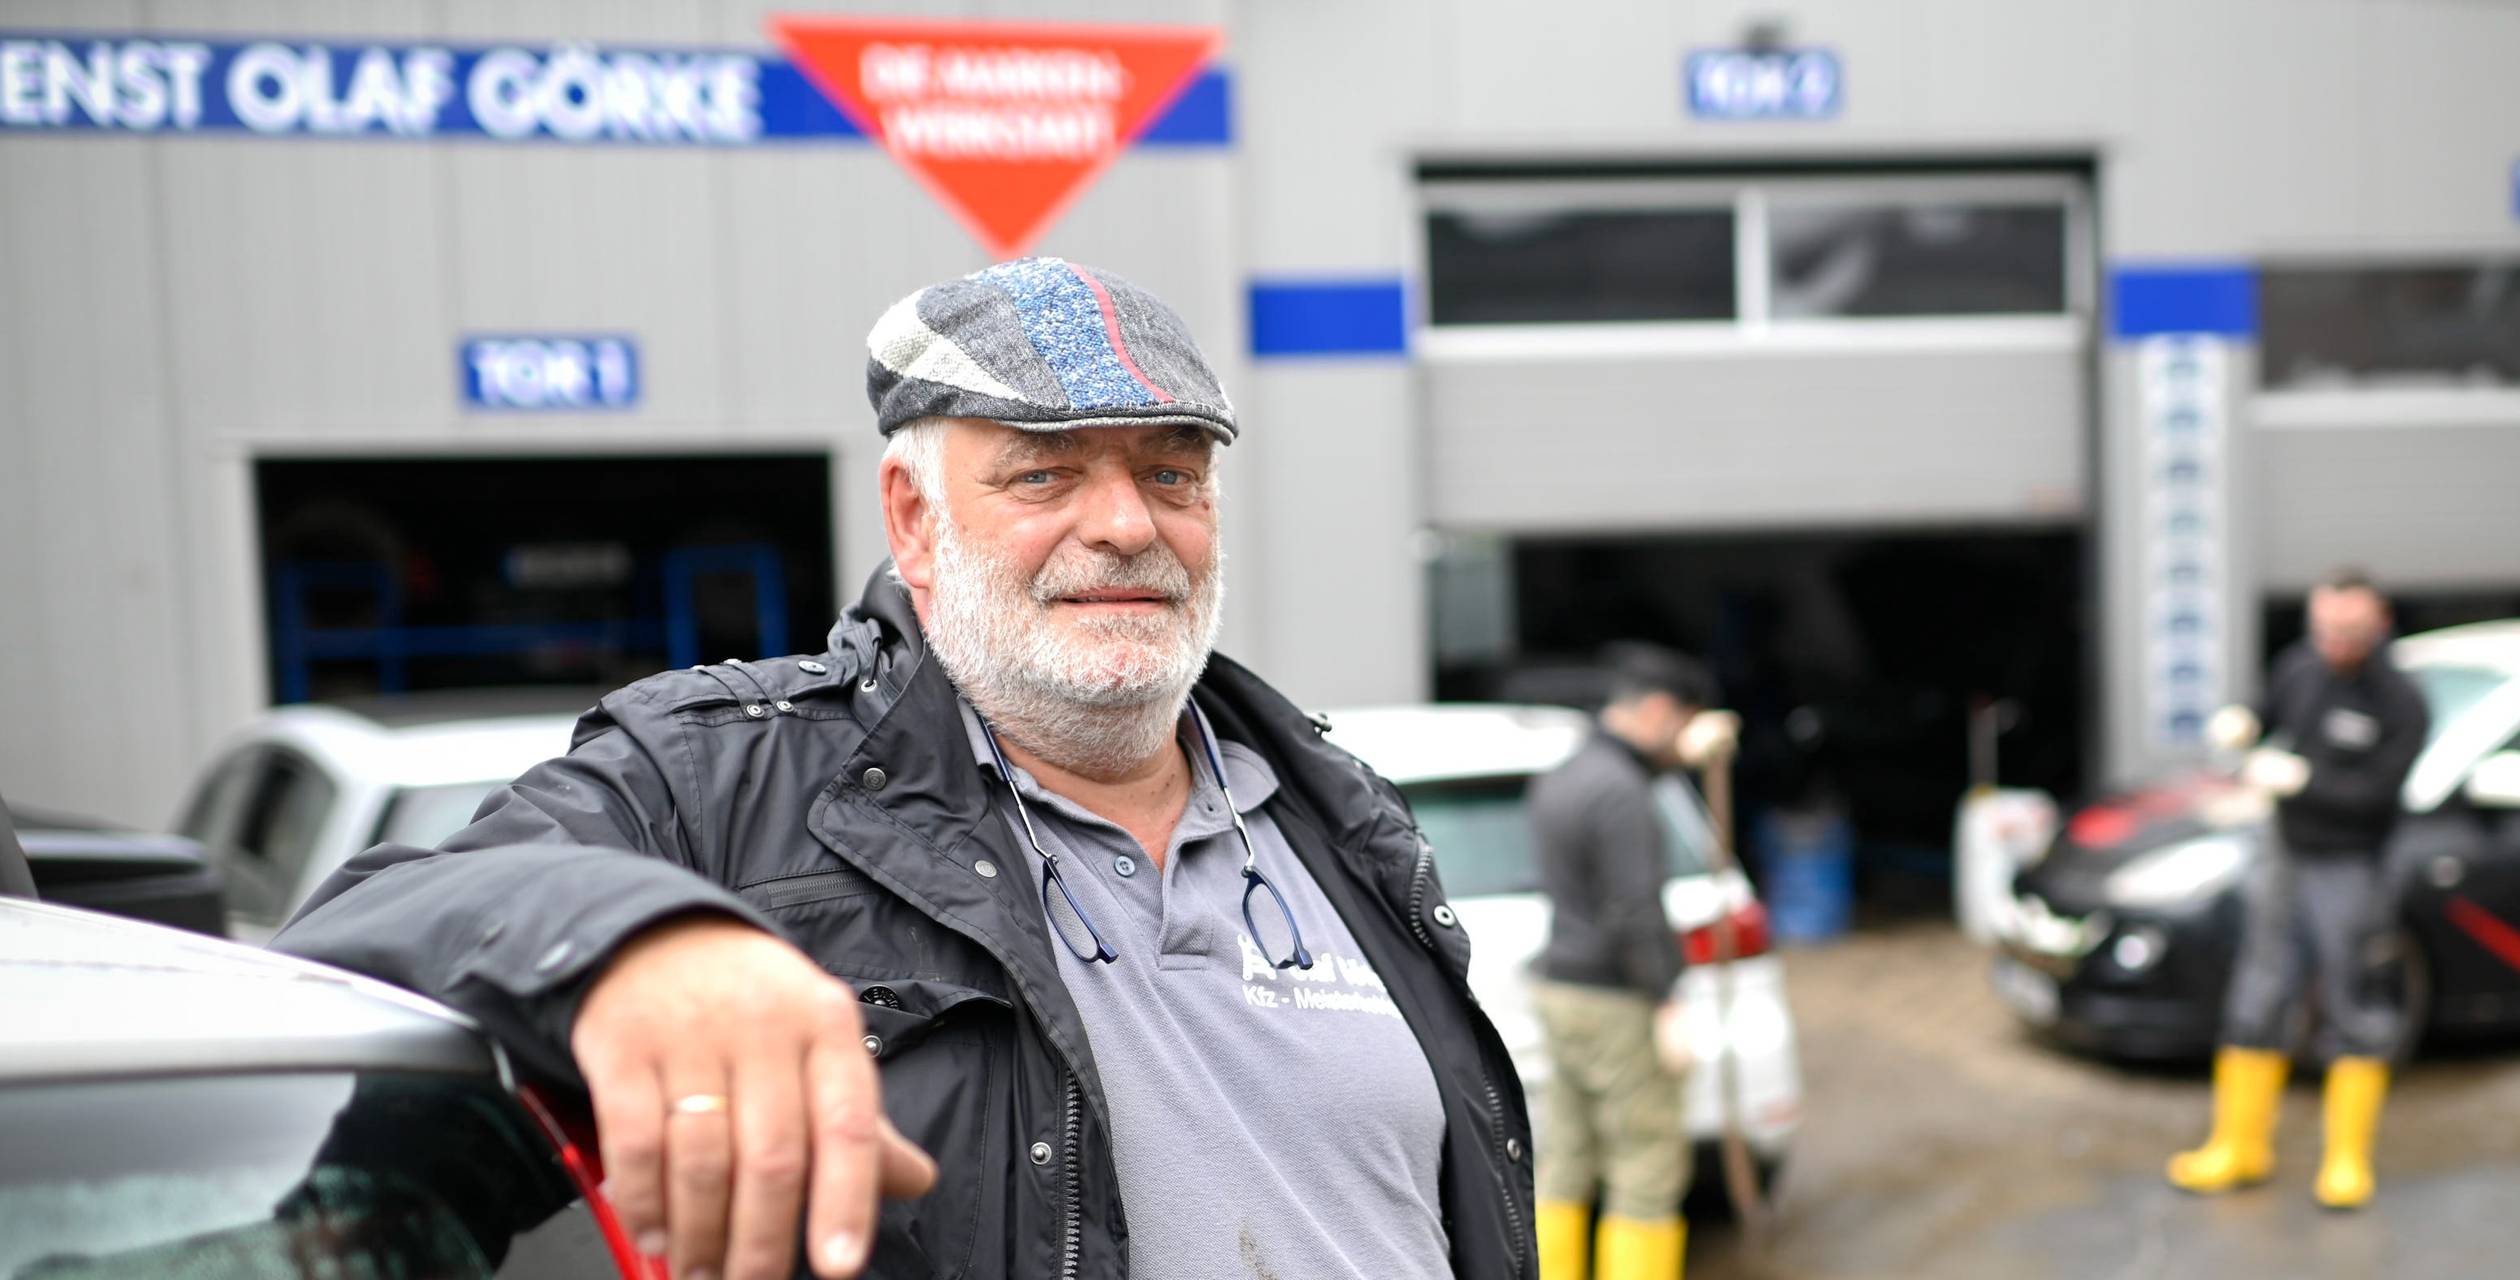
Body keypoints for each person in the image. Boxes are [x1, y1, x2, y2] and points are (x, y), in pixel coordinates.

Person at [274, 259, 1534, 1280]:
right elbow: (352, 930)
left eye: (1170, 475)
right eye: (1045, 473)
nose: (1127, 524)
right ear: (913, 516)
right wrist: (637, 940)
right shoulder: (722, 780)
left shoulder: (1338, 812)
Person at [2167, 567, 2428, 1209]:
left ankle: (2345, 1160)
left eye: (2349, 632)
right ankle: (2239, 1144)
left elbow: (2378, 796)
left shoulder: (2400, 702)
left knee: (2353, 1001)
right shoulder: (2299, 668)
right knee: (2259, 989)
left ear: (2379, 625)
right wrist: (2244, 723)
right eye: (2326, 630)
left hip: (2351, 866)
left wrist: (2304, 782)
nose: (2335, 644)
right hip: (2285, 855)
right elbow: (2268, 710)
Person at [1527, 643, 1715, 1280]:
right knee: (1648, 1166)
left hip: (1563, 988)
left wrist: (1686, 756)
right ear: (1661, 711)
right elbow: (1634, 909)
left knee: (1568, 1160)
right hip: (1617, 1000)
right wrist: (1667, 1000)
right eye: (1685, 724)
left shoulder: (1569, 774)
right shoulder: (1623, 794)